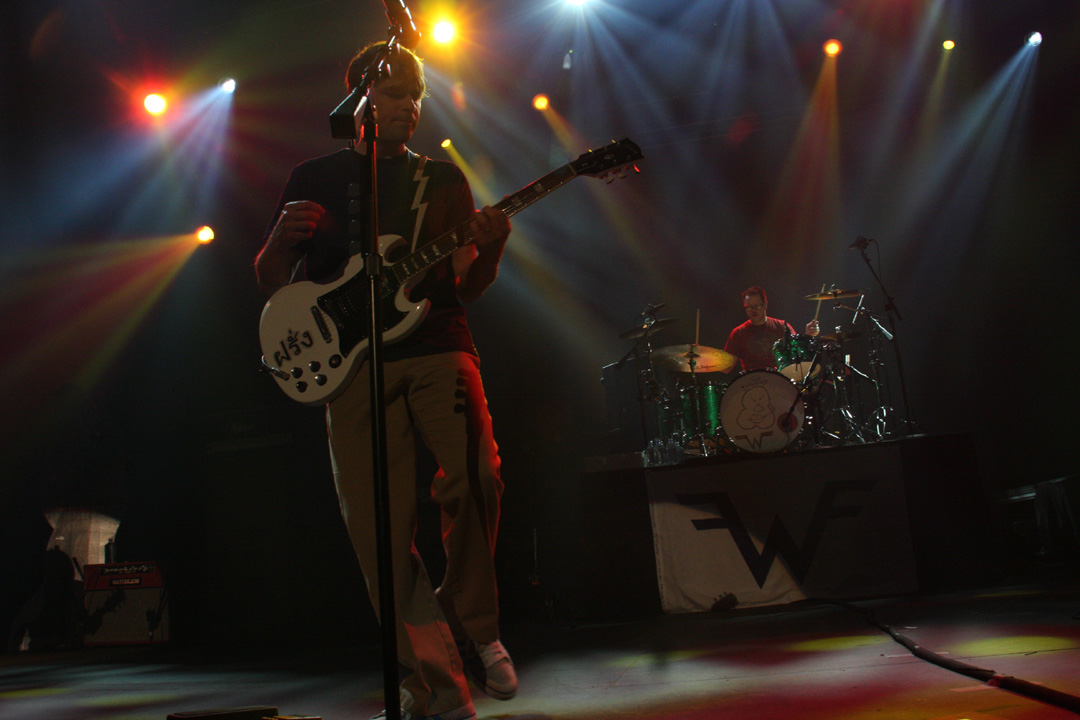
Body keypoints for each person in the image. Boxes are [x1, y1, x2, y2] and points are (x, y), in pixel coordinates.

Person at [255, 42, 515, 720]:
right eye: (396, 93)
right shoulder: (312, 176)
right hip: (353, 367)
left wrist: (491, 249)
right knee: (380, 532)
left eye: (416, 96)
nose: (409, 106)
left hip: (438, 346)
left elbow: (467, 285)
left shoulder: (443, 178)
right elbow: (273, 281)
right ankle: (435, 690)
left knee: (478, 475)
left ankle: (475, 623)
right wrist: (280, 241)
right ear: (361, 98)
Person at [723, 286, 819, 373]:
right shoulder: (738, 333)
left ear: (765, 305)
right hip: (751, 381)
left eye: (756, 306)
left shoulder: (782, 327)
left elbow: (797, 352)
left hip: (778, 378)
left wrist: (808, 335)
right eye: (748, 307)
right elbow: (726, 368)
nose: (753, 310)